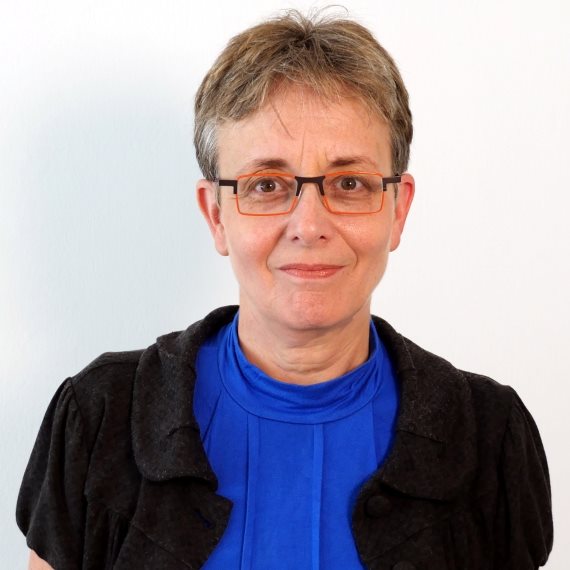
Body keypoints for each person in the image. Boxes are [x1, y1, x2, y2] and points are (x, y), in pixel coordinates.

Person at [17, 9, 553, 570]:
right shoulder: (98, 418)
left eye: (350, 183)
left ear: (398, 210)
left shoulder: (491, 436)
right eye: (267, 185)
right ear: (216, 214)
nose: (309, 224)